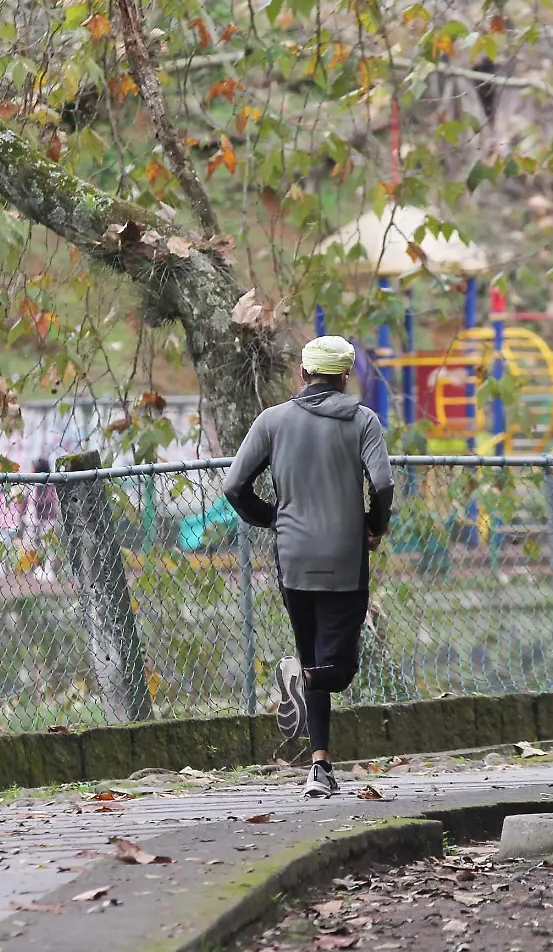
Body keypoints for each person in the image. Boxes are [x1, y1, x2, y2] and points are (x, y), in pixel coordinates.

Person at [223, 336, 394, 798]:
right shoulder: (362, 421)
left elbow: (234, 486)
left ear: (303, 374)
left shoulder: (272, 421)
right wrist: (373, 527)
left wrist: (274, 520)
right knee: (339, 667)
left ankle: (320, 768)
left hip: (293, 557)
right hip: (344, 557)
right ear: (344, 377)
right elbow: (382, 482)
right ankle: (309, 685)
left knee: (309, 652)